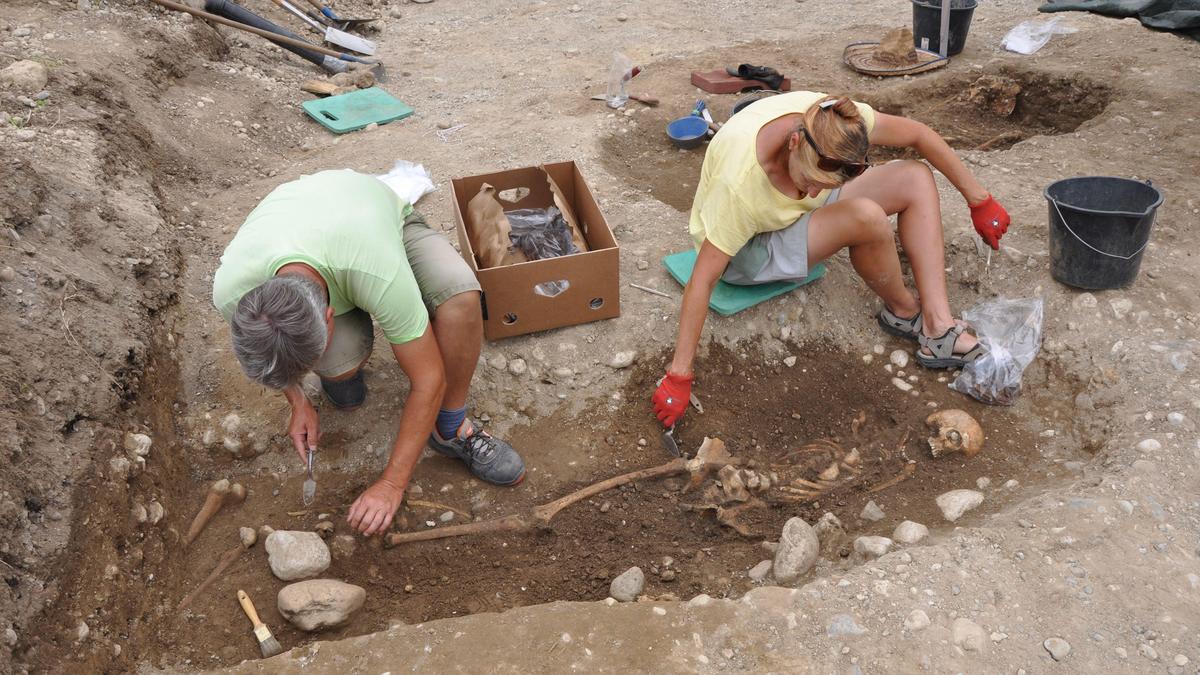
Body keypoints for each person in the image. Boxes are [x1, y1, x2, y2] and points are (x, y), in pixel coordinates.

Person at [652, 91, 1010, 429]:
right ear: (794, 143)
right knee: (867, 216)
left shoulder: (835, 122)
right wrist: (679, 375)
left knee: (914, 177)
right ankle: (904, 313)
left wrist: (978, 199)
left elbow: (917, 134)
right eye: (809, 181)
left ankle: (937, 326)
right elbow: (704, 278)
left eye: (824, 185)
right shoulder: (743, 185)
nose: (812, 194)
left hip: (785, 201)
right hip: (746, 253)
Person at [213, 169, 525, 536]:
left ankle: (451, 428)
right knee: (340, 366)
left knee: (459, 299)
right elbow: (268, 353)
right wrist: (297, 401)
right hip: (314, 230)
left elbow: (429, 379)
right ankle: (341, 370)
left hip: (379, 221)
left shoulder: (377, 268)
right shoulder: (234, 293)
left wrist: (392, 485)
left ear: (329, 318)